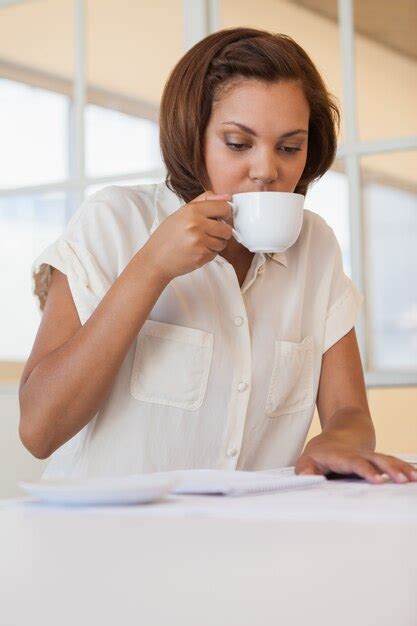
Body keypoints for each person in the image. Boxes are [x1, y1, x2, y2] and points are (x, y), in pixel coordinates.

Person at [19, 27, 417, 484]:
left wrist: (338, 440)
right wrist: (151, 268)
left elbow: (348, 411)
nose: (267, 170)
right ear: (194, 136)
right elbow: (39, 430)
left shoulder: (316, 245)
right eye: (237, 143)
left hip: (244, 544)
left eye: (290, 147)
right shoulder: (115, 221)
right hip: (104, 542)